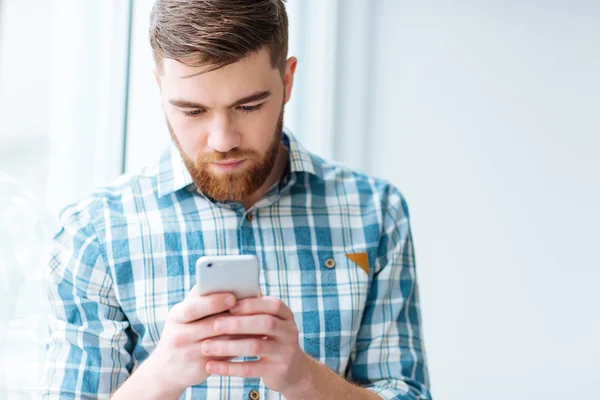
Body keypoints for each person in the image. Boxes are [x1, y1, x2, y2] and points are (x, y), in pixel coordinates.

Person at [42, 1, 432, 399]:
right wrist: (161, 376)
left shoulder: (375, 213)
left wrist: (303, 378)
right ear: (161, 88)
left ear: (288, 81)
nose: (222, 140)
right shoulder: (93, 233)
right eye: (192, 110)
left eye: (248, 106)